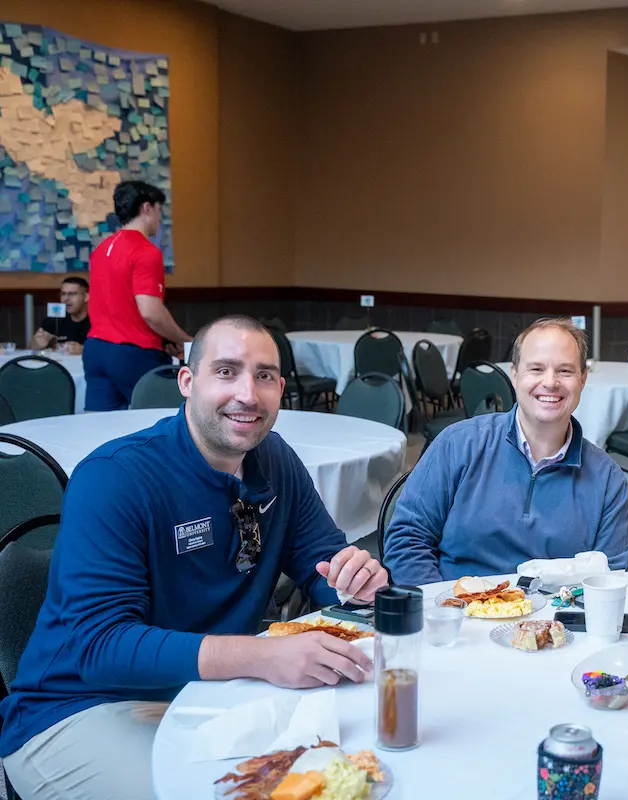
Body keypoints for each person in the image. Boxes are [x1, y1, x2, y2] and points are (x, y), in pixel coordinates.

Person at [0, 315, 388, 800]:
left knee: (351, 767)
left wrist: (356, 582)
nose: (248, 393)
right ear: (187, 381)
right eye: (226, 371)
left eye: (264, 375)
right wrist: (260, 655)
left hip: (212, 693)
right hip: (78, 707)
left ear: (281, 388)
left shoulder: (276, 460)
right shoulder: (115, 478)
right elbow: (100, 646)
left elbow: (322, 562)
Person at [383, 318, 628, 585]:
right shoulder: (458, 445)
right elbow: (407, 539)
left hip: (554, 621)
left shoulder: (607, 479)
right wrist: (442, 610)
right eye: (536, 369)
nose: (550, 382)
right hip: (455, 612)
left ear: (583, 379)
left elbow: (611, 578)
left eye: (565, 371)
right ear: (514, 376)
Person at [84, 180, 192, 411]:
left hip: (94, 350)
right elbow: (151, 312)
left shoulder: (101, 250)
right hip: (132, 353)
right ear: (147, 208)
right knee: (159, 422)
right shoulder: (146, 252)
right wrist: (185, 340)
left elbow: (119, 305)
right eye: (159, 210)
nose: (160, 219)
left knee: (100, 427)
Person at [29, 276, 90, 354]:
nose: (66, 298)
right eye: (63, 294)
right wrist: (37, 344)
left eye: (72, 294)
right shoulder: (54, 318)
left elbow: (107, 352)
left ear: (86, 297)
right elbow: (32, 349)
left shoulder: (98, 320)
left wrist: (84, 349)